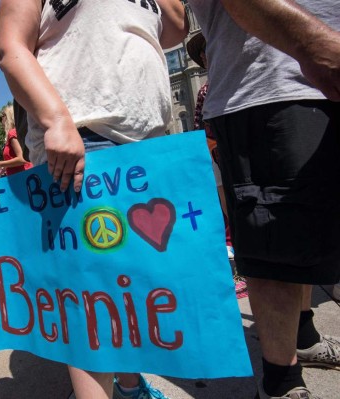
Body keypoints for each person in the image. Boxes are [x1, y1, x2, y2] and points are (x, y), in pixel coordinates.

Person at [0, 0, 188, 398]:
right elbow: (11, 47)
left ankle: (130, 384)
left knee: (133, 288)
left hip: (148, 148)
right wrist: (55, 119)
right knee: (92, 298)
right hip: (83, 145)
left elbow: (175, 29)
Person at [185, 1, 340, 398]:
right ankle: (281, 382)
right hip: (271, 86)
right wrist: (313, 44)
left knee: (310, 236)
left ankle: (302, 334)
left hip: (308, 77)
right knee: (276, 248)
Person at [185, 33, 244, 296]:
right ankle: (240, 269)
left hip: (241, 152)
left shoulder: (239, 80)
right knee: (228, 210)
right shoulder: (205, 90)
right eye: (203, 52)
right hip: (217, 157)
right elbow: (199, 127)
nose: (207, 55)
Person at [0, 105, 33, 175]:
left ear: (7, 117)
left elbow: (22, 159)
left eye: (1, 118)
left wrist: (0, 164)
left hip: (22, 177)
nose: (1, 122)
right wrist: (5, 167)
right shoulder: (18, 132)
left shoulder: (12, 133)